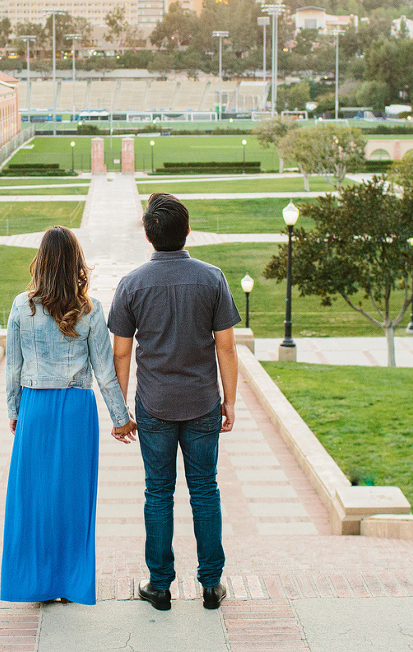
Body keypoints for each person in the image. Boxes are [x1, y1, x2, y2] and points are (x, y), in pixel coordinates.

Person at [109, 192, 241, 611]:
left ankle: (160, 585)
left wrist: (120, 410)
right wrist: (231, 402)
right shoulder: (212, 278)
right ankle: (210, 584)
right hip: (203, 402)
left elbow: (121, 353)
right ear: (187, 231)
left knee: (158, 493)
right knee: (205, 492)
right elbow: (226, 348)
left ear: (149, 236)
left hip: (155, 405)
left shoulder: (131, 284)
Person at [1, 226, 137, 605]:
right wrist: (121, 418)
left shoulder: (20, 307)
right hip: (78, 410)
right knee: (74, 500)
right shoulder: (89, 309)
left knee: (33, 500)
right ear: (76, 264)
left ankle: (35, 582)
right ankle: (69, 584)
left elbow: (12, 368)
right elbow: (105, 371)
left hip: (36, 408)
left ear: (41, 262)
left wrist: (15, 411)